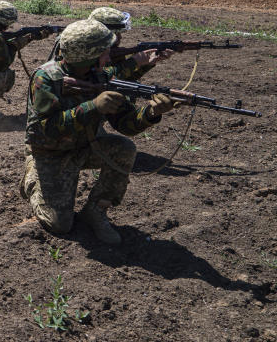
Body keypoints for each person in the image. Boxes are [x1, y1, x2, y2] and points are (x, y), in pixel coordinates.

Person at [19, 19, 175, 244]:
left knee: (123, 149)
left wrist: (151, 112)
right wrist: (93, 107)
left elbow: (125, 123)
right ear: (88, 57)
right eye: (104, 52)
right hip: (50, 153)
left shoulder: (103, 76)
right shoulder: (46, 77)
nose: (109, 56)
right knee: (59, 224)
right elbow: (41, 131)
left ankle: (96, 210)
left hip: (86, 145)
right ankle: (33, 178)